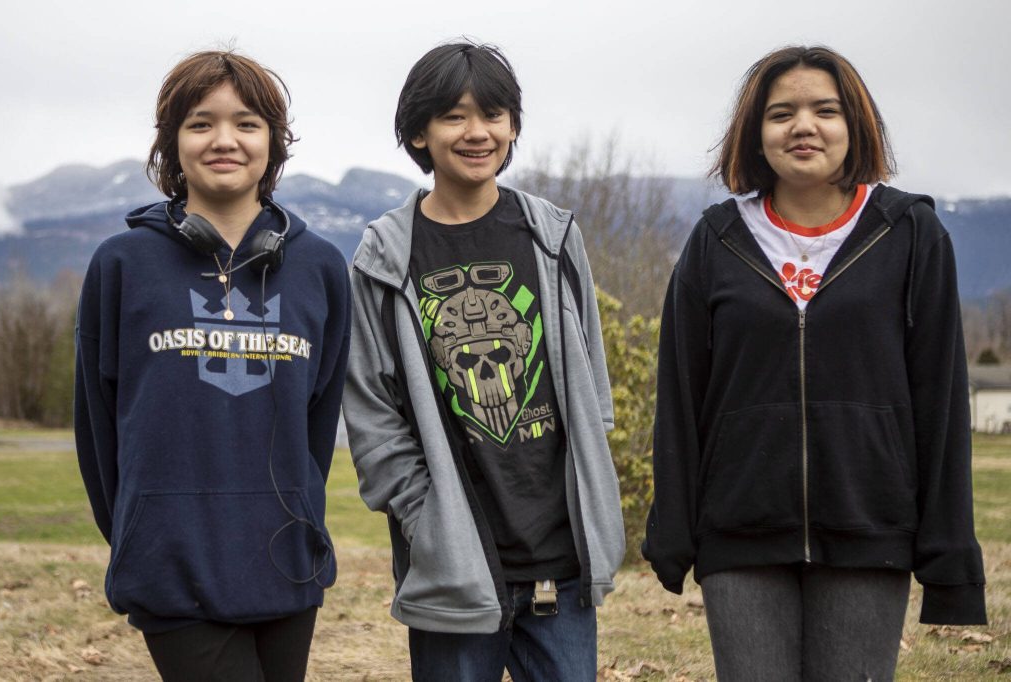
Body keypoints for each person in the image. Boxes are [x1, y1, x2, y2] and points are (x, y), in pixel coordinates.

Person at [642, 45, 986, 681]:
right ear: (756, 133)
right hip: (740, 534)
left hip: (868, 533)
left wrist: (949, 563)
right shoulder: (716, 240)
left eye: (825, 110)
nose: (803, 126)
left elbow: (941, 404)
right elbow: (680, 398)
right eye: (782, 113)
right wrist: (673, 535)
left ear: (855, 124)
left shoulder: (910, 235)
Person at [343, 40, 625, 681]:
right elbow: (371, 410)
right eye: (454, 116)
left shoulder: (552, 235)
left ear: (513, 126)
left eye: (494, 114)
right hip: (455, 566)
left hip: (561, 561)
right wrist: (426, 522)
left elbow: (591, 384)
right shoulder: (384, 256)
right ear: (419, 130)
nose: (478, 132)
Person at [74, 50, 350, 681]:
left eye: (247, 123)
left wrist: (300, 509)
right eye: (201, 123)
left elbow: (320, 417)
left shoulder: (322, 268)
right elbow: (98, 427)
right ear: (173, 142)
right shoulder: (122, 264)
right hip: (172, 561)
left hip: (286, 557)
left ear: (273, 144)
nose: (225, 140)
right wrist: (140, 533)